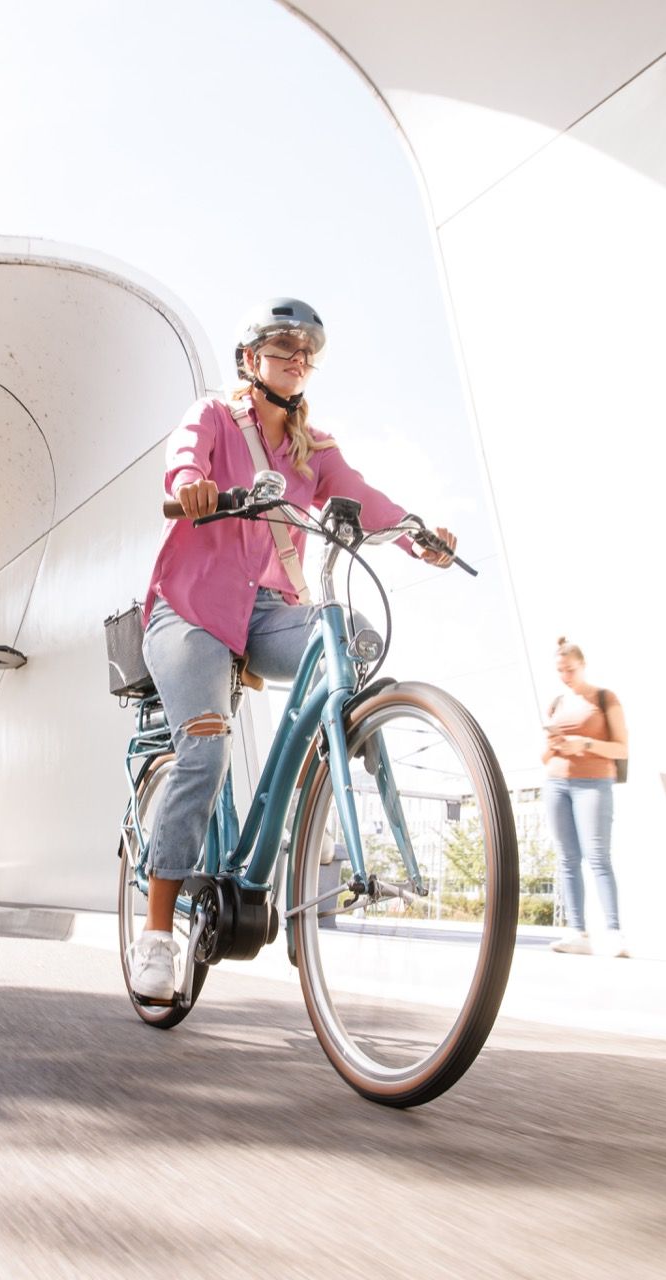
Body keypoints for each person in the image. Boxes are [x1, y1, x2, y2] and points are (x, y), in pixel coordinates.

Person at [128, 298, 458, 1002]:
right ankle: (157, 933)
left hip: (269, 613)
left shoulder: (316, 448)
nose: (297, 359)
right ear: (251, 361)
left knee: (353, 638)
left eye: (307, 352)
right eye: (282, 347)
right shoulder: (214, 416)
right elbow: (183, 458)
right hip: (189, 612)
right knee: (208, 749)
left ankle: (327, 782)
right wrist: (192, 488)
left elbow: (363, 497)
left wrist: (413, 533)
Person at [541, 637, 630, 957]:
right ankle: (577, 931)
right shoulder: (556, 704)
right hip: (556, 784)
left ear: (583, 665)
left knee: (598, 857)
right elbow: (543, 757)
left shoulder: (604, 699)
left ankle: (614, 932)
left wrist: (585, 744)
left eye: (570, 669)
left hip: (593, 783)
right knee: (567, 859)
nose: (565, 675)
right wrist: (554, 746)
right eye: (560, 671)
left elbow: (622, 748)